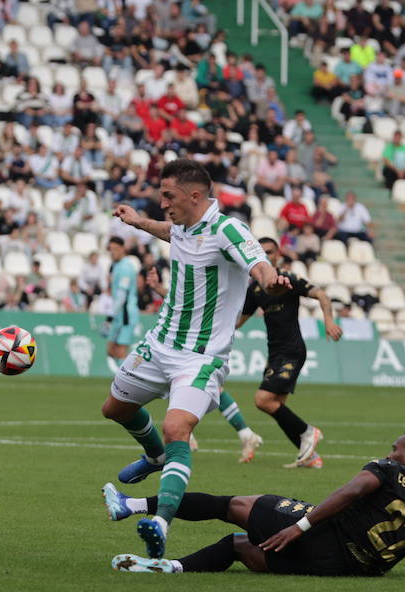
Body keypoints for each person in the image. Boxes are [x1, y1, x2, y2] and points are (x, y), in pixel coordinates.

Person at [101, 159, 290, 559]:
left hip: (201, 357)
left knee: (176, 428)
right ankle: (154, 456)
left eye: (168, 196)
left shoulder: (228, 229)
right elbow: (171, 232)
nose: (162, 202)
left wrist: (271, 281)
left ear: (195, 196)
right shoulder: (185, 226)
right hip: (160, 344)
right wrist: (138, 222)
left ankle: (160, 522)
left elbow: (258, 264)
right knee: (115, 408)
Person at [106, 427, 405, 580]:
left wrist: (301, 525)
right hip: (345, 571)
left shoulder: (389, 471)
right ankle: (170, 567)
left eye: (396, 449)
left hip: (319, 537)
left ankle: (134, 505)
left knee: (237, 504)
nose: (391, 453)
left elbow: (351, 491)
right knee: (239, 546)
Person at [237, 237, 343, 467]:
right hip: (275, 352)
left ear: (278, 254)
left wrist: (328, 321)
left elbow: (321, 295)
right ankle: (310, 457)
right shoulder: (255, 288)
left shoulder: (288, 279)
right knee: (278, 405)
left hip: (292, 350)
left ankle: (308, 432)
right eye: (262, 252)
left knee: (262, 400)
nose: (266, 255)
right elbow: (237, 322)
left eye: (270, 252)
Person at [143, 265, 263, 462]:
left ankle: (187, 433)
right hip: (194, 337)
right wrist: (157, 288)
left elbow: (190, 303)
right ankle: (244, 434)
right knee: (206, 386)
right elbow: (183, 302)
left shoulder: (217, 274)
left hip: (203, 340)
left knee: (185, 380)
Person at [104, 236, 141, 361]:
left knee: (120, 350)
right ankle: (127, 376)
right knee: (111, 350)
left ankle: (127, 378)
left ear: (122, 249)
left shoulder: (126, 267)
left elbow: (121, 296)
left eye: (115, 249)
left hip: (125, 314)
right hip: (119, 313)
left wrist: (110, 317)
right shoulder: (116, 265)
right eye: (110, 249)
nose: (112, 252)